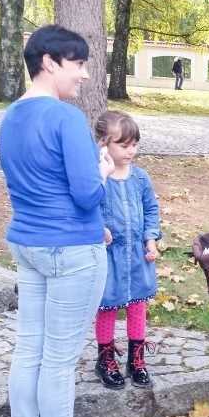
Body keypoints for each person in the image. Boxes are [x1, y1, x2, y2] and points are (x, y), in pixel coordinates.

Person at [0, 24, 115, 417]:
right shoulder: (65, 116)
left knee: (29, 349)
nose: (85, 74)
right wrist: (103, 172)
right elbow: (87, 196)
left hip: (26, 242)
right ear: (49, 63)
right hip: (70, 250)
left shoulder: (11, 115)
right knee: (60, 361)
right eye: (78, 64)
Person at [91, 110, 162, 390]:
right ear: (103, 144)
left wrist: (151, 239)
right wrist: (100, 229)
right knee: (108, 307)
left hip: (139, 257)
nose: (131, 151)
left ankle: (136, 359)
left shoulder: (141, 178)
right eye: (123, 145)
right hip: (110, 258)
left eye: (134, 144)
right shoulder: (98, 177)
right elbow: (88, 206)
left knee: (137, 307)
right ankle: (105, 358)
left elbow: (151, 210)